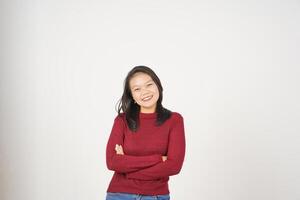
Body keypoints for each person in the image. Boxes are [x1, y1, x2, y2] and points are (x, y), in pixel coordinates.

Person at [105, 66, 186, 200]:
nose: (145, 92)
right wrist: (158, 159)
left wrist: (128, 171)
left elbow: (174, 166)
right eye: (137, 89)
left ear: (158, 85)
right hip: (119, 194)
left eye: (149, 85)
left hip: (156, 195)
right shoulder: (122, 120)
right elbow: (112, 162)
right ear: (132, 96)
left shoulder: (174, 120)